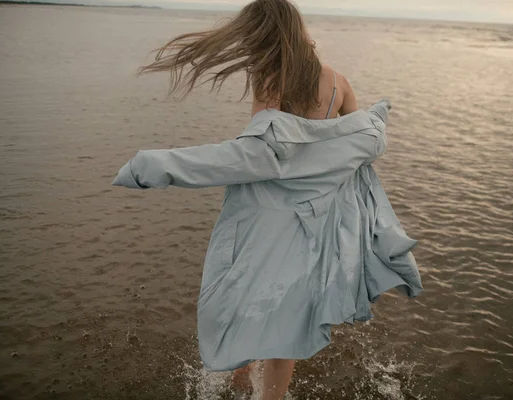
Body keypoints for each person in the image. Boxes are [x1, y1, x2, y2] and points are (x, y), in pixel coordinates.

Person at [112, 0, 423, 398]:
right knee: (289, 307)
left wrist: (159, 166)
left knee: (248, 290)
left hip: (269, 213)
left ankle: (243, 383)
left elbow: (259, 155)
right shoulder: (339, 82)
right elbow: (351, 147)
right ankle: (269, 396)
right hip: (317, 217)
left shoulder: (271, 80)